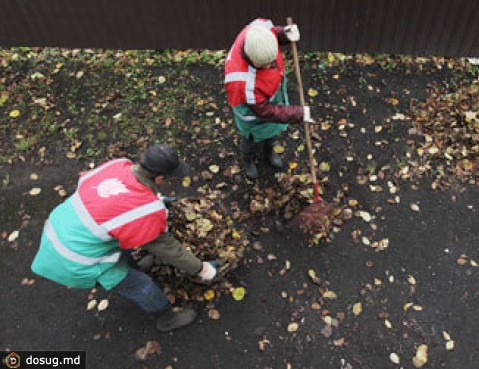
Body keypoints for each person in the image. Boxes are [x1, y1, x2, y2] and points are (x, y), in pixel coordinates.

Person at [31, 144, 219, 332]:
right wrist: (202, 269)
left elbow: (117, 197)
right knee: (141, 286)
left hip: (61, 228)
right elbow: (167, 248)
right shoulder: (145, 212)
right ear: (160, 178)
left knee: (124, 238)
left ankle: (133, 266)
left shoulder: (118, 165)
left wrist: (157, 200)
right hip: (75, 259)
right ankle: (166, 319)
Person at [224, 18, 314, 179]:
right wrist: (298, 114)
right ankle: (248, 160)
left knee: (271, 135)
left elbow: (274, 32)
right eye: (263, 64)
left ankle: (268, 152)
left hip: (270, 97)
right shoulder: (243, 83)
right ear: (251, 57)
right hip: (254, 120)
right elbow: (266, 111)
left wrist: (285, 34)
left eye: (271, 61)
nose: (269, 66)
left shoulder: (260, 31)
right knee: (251, 143)